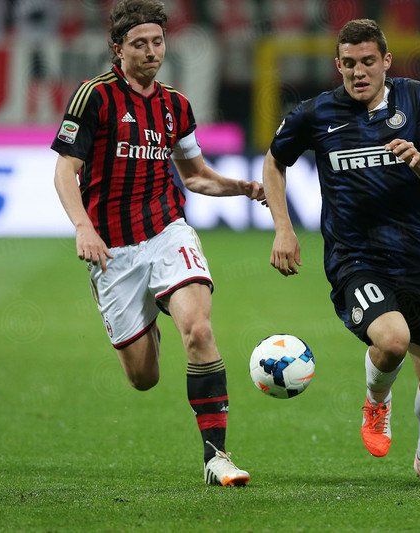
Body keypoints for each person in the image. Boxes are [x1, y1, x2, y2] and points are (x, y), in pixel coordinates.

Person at [51, 0, 263, 487]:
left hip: (167, 231)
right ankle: (149, 311)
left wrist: (241, 187)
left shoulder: (176, 105)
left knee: (200, 331)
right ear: (117, 49)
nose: (151, 52)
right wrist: (83, 227)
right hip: (112, 250)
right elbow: (65, 171)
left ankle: (217, 457)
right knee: (143, 377)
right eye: (140, 44)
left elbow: (196, 176)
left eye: (158, 42)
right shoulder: (94, 97)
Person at [262, 19, 420, 486]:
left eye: (368, 61)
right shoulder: (316, 113)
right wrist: (283, 228)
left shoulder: (414, 98)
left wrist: (417, 158)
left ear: (386, 61)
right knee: (391, 340)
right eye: (349, 63)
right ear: (338, 65)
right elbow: (274, 161)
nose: (358, 71)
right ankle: (376, 403)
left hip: (413, 255)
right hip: (354, 258)